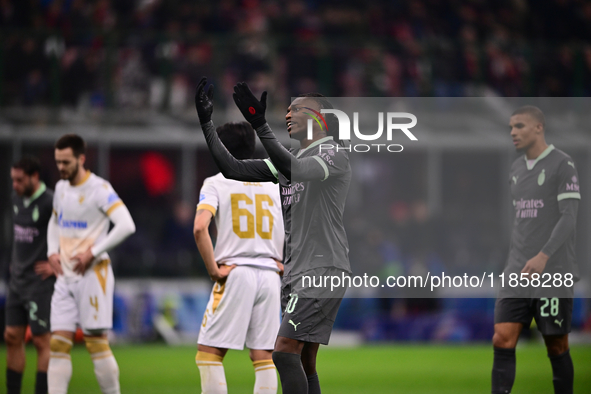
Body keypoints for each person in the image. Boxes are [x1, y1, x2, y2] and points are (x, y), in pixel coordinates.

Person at [195, 77, 351, 394]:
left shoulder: (334, 153)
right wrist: (206, 123)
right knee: (305, 360)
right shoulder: (287, 160)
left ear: (321, 119)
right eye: (288, 110)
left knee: (281, 352)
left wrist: (260, 126)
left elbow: (296, 169)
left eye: (298, 110)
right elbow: (233, 168)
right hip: (296, 271)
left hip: (321, 268)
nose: (289, 115)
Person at [492, 106, 580, 394]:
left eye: (519, 126)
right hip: (517, 271)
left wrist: (544, 255)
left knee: (556, 345)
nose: (513, 133)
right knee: (502, 338)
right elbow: (523, 222)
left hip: (553, 271)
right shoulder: (516, 169)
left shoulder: (562, 164)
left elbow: (569, 216)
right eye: (510, 128)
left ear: (538, 128)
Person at [193, 121, 285, 394]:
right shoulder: (274, 182)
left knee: (208, 354)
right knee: (264, 357)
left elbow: (200, 228)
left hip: (235, 272)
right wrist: (281, 261)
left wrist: (213, 270)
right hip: (270, 275)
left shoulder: (216, 182)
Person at [46, 134, 136, 394]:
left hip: (93, 275)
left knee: (96, 342)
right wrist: (52, 251)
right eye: (57, 162)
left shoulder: (99, 189)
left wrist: (93, 252)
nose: (61, 167)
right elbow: (55, 220)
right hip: (65, 276)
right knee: (58, 344)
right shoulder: (61, 188)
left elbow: (126, 225)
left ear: (81, 159)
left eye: (66, 162)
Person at [5, 156, 55, 394]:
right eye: (13, 180)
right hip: (17, 282)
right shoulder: (17, 199)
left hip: (39, 283)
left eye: (19, 180)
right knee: (12, 335)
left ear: (34, 177)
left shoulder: (51, 202)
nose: (14, 185)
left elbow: (68, 233)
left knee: (41, 341)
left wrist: (58, 264)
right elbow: (17, 238)